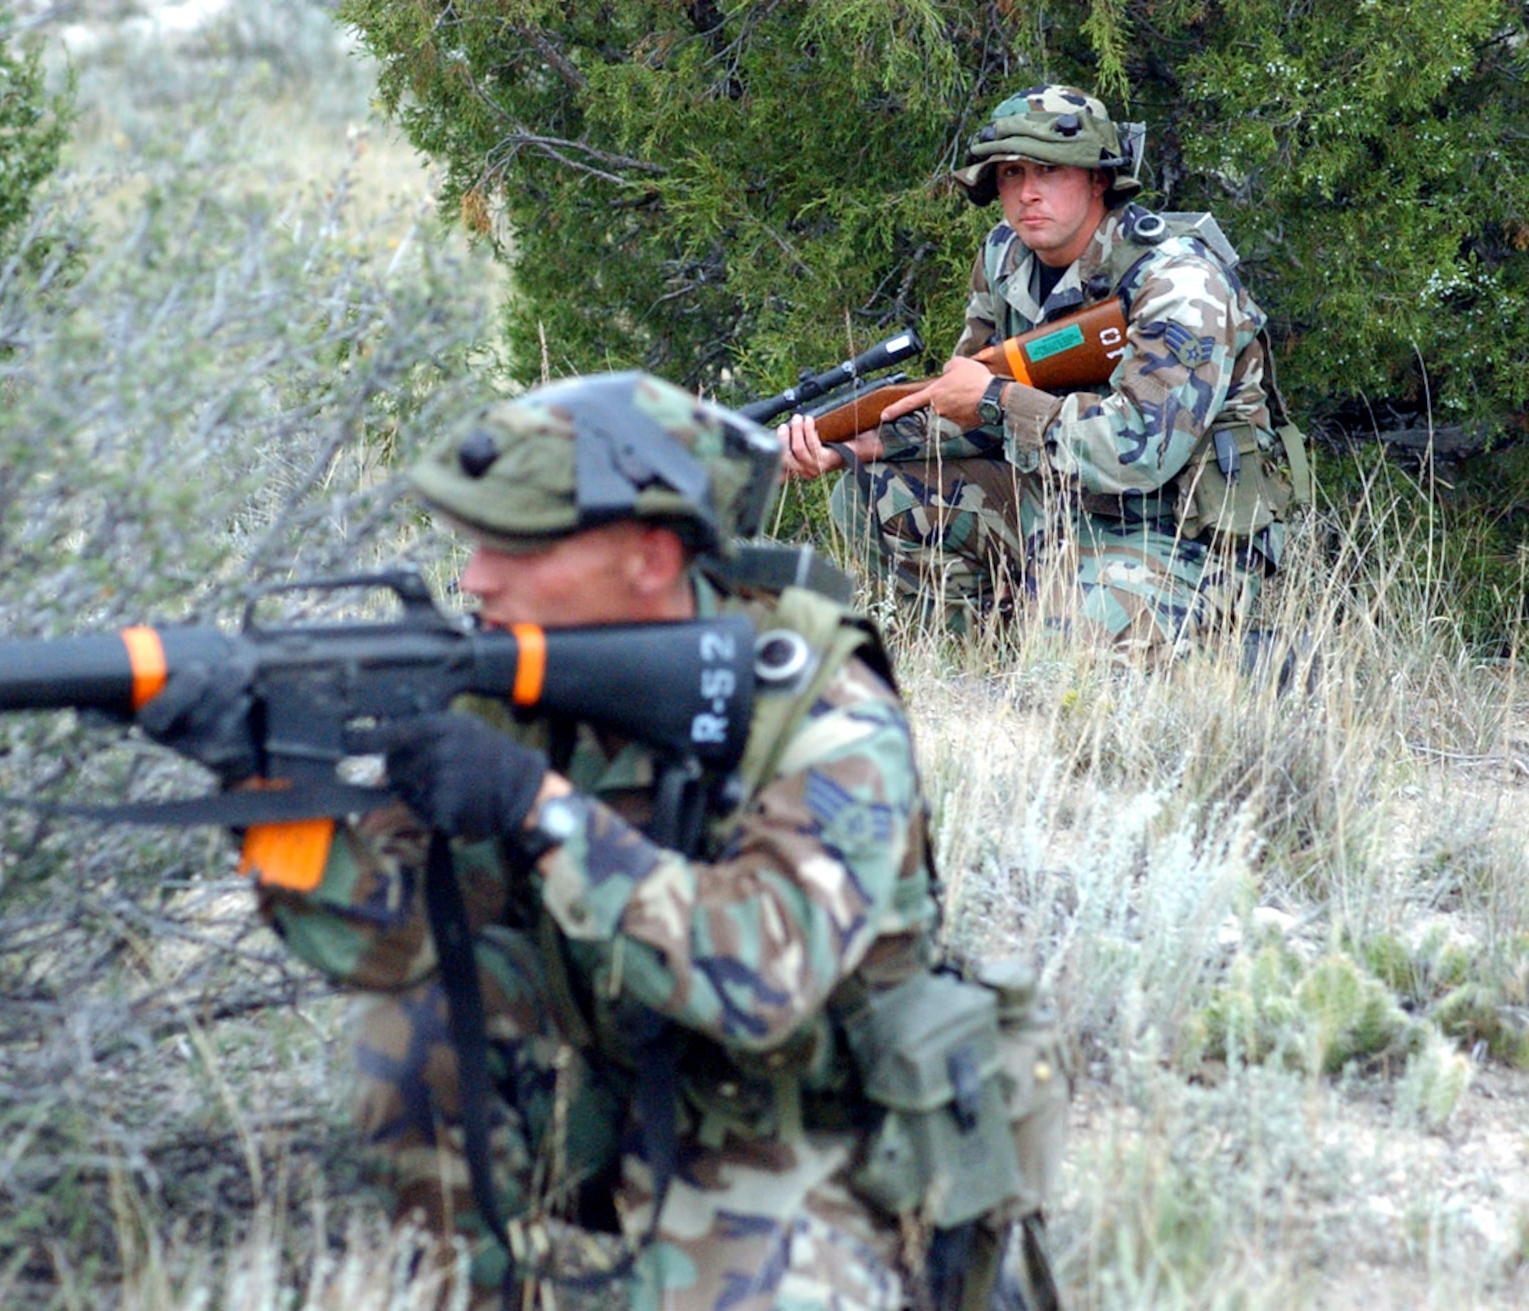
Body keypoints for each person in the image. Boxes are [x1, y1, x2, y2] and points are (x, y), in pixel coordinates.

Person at [237, 373, 1062, 1309]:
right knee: (410, 1030)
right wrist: (268, 802)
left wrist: (539, 808)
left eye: (517, 544)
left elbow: (764, 976)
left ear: (651, 557)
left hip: (814, 1124)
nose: (475, 578)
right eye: (476, 544)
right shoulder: (508, 679)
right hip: (624, 1073)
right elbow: (394, 945)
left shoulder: (819, 703)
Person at [780, 85, 1302, 658]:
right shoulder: (1006, 257)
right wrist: (852, 445)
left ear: (1098, 179)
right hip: (1055, 506)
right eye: (1009, 173)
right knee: (868, 496)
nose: (1027, 193)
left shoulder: (1180, 283)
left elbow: (1142, 450)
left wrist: (999, 400)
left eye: (1049, 170)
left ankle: (1244, 660)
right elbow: (967, 409)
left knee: (1073, 665)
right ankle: (983, 664)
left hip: (1177, 529)